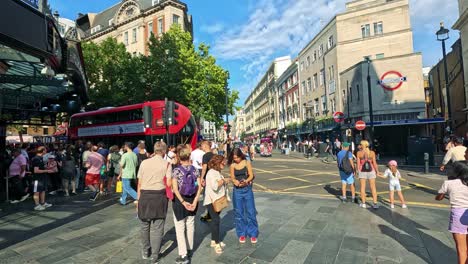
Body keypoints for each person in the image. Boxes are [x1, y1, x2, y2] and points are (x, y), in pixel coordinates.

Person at [137, 141, 172, 262]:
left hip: (145, 196)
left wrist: (138, 199)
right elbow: (168, 184)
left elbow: (139, 183)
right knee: (158, 227)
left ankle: (146, 250)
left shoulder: (144, 163)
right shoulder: (167, 164)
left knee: (144, 226)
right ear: (164, 151)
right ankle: (155, 255)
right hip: (159, 197)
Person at [171, 147, 202, 264]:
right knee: (190, 225)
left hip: (180, 201)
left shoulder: (176, 170)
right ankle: (189, 250)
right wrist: (194, 201)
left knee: (180, 228)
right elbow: (199, 187)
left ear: (179, 157)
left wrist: (183, 202)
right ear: (189, 157)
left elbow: (175, 189)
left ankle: (183, 255)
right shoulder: (195, 170)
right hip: (192, 198)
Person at [436, 161, 468, 264]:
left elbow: (439, 197)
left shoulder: (448, 183)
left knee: (461, 249)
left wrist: (442, 195)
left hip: (458, 215)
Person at [229, 148, 258, 244]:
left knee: (251, 212)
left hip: (247, 189)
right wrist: (235, 182)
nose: (235, 159)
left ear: (240, 156)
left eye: (237, 157)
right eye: (234, 158)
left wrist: (246, 181)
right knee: (239, 213)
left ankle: (253, 234)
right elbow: (232, 177)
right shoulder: (232, 165)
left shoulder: (246, 162)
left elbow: (251, 175)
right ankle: (242, 234)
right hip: (237, 191)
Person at [203, 155, 230, 254]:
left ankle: (213, 241)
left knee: (215, 221)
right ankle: (217, 243)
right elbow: (215, 186)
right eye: (223, 162)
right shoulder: (211, 172)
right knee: (216, 220)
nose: (224, 164)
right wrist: (224, 181)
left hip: (217, 200)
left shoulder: (217, 172)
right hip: (211, 200)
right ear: (217, 162)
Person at [356, 140, 381, 209]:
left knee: (362, 188)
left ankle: (363, 203)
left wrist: (357, 171)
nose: (359, 145)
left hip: (362, 171)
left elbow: (358, 164)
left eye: (360, 144)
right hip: (371, 171)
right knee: (373, 188)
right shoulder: (372, 153)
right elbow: (374, 163)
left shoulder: (359, 153)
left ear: (362, 145)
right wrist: (377, 171)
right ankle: (375, 204)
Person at [31, 146, 54, 211]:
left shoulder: (40, 158)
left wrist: (47, 168)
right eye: (45, 150)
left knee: (43, 190)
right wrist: (47, 170)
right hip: (36, 178)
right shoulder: (36, 159)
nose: (46, 151)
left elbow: (40, 168)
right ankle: (37, 205)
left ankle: (43, 203)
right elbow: (36, 170)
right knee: (36, 192)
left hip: (42, 177)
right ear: (43, 151)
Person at [200, 141, 215, 222]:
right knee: (213, 196)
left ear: (205, 146)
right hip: (214, 178)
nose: (201, 147)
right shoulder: (214, 155)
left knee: (207, 196)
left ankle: (209, 215)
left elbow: (204, 168)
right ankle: (212, 213)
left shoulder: (205, 156)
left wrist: (202, 178)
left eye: (202, 146)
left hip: (208, 178)